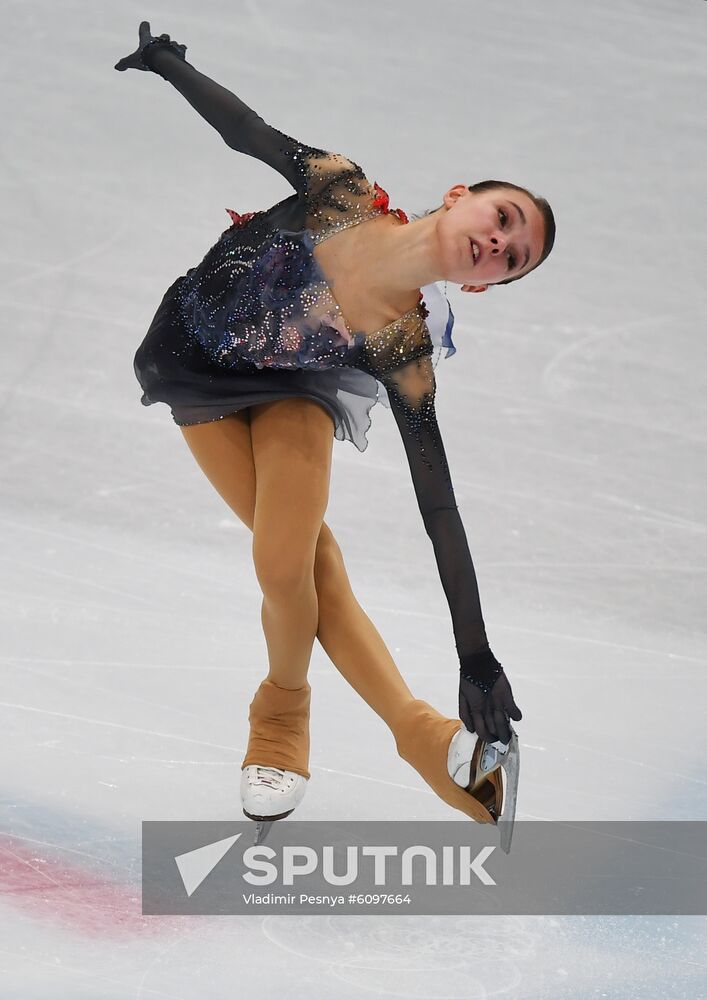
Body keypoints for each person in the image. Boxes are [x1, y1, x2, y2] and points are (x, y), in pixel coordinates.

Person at [115, 23, 556, 847]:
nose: (497, 242)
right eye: (502, 219)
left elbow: (440, 512)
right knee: (312, 560)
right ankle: (414, 740)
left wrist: (476, 655)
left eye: (509, 256)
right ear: (460, 194)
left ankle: (288, 723)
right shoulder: (338, 189)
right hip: (192, 365)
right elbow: (245, 131)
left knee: (284, 559)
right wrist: (172, 64)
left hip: (295, 391)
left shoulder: (401, 347)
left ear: (480, 283)